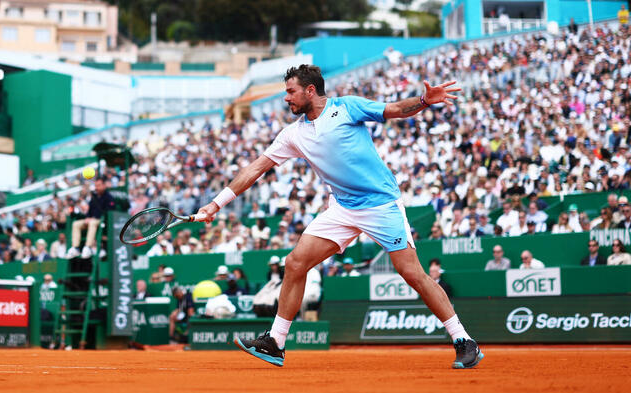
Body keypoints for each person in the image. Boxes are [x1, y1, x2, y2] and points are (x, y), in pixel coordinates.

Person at [194, 64, 482, 369]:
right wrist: (215, 204)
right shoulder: (293, 134)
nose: (286, 99)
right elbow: (255, 169)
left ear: (309, 90)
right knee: (294, 263)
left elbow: (395, 109)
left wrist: (424, 101)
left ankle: (464, 340)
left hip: (381, 205)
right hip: (342, 209)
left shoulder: (347, 107)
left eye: (291, 92)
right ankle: (275, 342)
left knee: (413, 274)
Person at [66, 178, 116, 259]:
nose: (97, 188)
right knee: (76, 224)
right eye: (96, 186)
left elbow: (108, 212)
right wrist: (87, 218)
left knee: (92, 223)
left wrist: (94, 218)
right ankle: (76, 248)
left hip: (101, 221)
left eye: (99, 185)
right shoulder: (94, 197)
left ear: (104, 185)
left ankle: (88, 247)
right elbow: (90, 210)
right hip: (91, 220)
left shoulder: (109, 197)